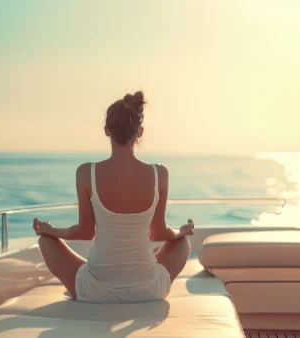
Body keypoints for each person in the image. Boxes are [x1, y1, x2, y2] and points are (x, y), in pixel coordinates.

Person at [33, 90, 194, 303]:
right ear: (140, 132)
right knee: (182, 244)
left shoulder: (86, 173)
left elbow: (85, 232)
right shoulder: (159, 174)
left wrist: (50, 230)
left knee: (46, 242)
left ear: (107, 130)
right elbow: (159, 233)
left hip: (95, 290)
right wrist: (180, 232)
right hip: (147, 289)